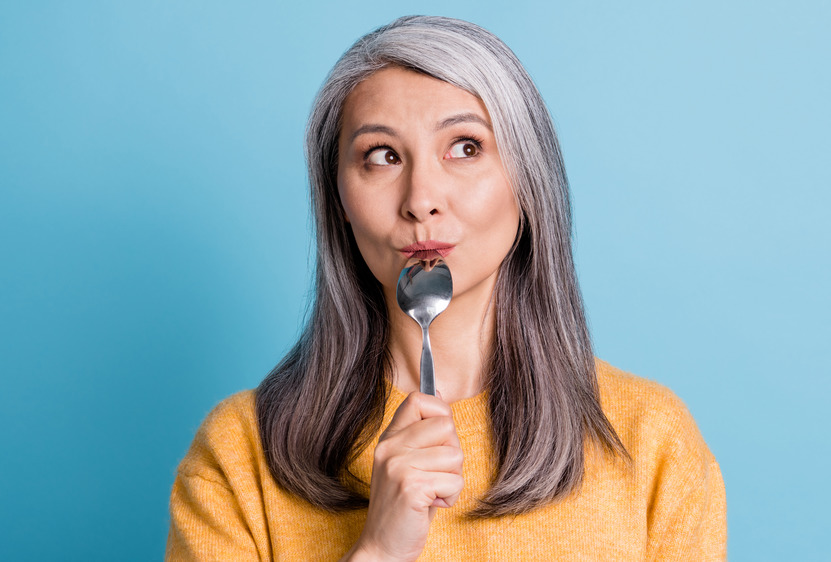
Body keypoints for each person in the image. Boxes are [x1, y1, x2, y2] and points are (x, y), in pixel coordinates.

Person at [166, 15, 726, 561]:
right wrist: (379, 551)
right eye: (382, 156)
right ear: (338, 202)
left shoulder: (650, 440)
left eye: (465, 147)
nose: (421, 198)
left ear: (527, 179)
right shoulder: (240, 455)